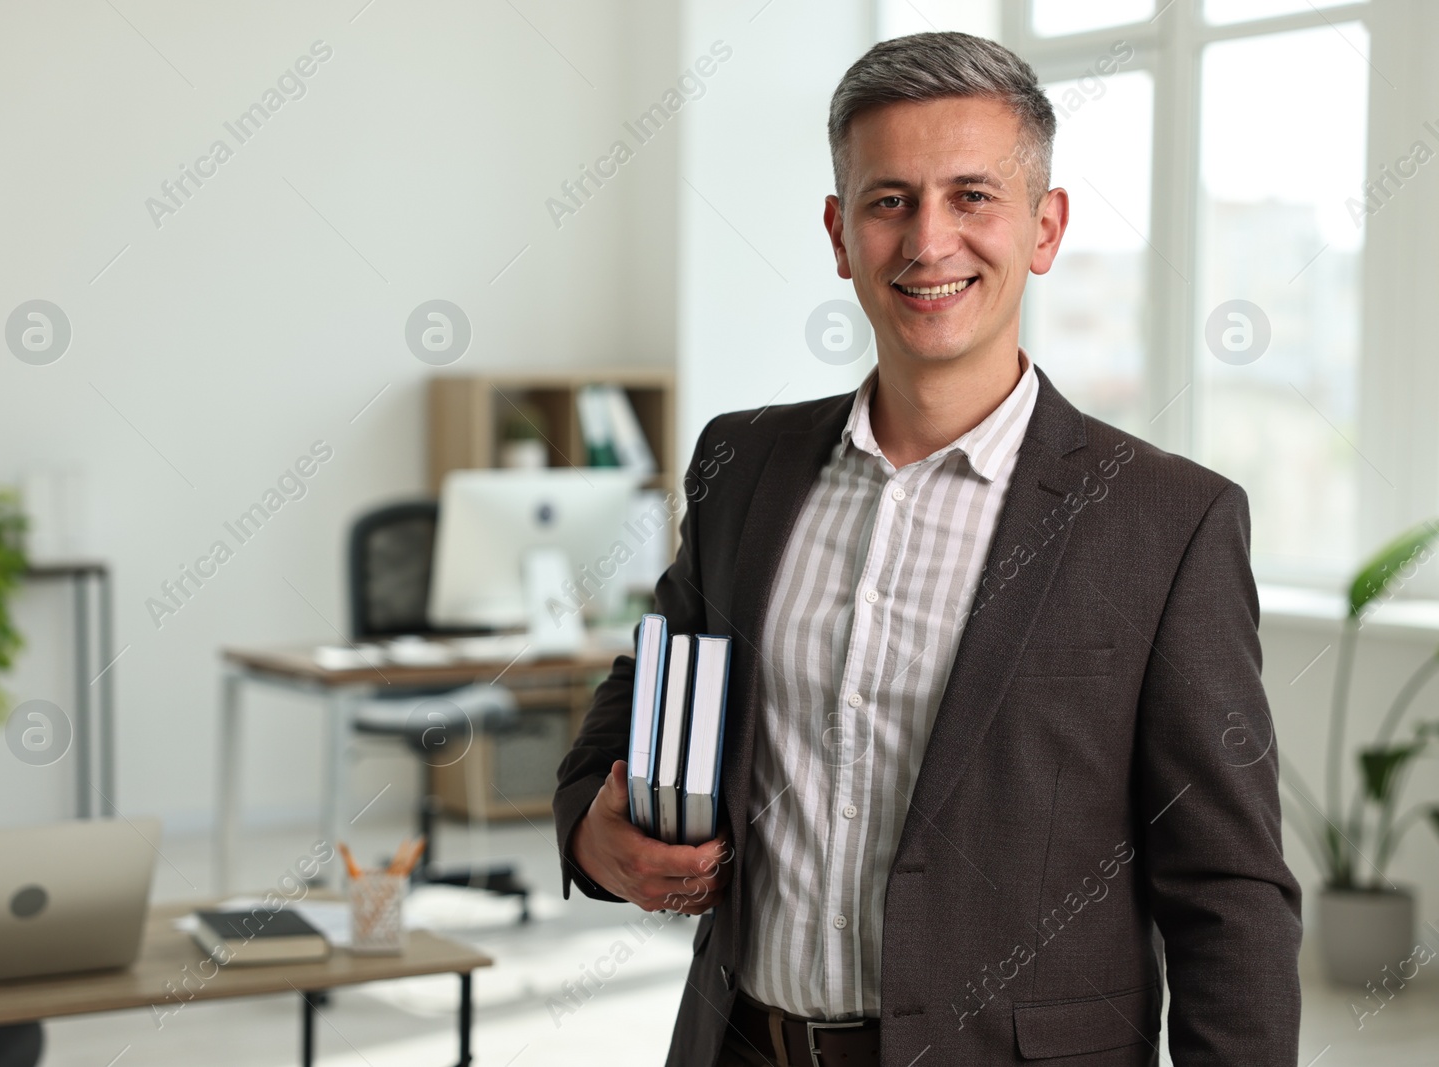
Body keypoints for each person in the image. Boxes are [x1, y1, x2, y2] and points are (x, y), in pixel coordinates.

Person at [553, 30, 1301, 1067]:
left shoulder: (1166, 521)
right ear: (838, 230)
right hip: (739, 1043)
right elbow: (645, 693)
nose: (927, 240)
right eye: (889, 199)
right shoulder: (744, 460)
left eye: (973, 197)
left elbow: (1228, 891)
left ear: (1045, 228)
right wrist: (591, 835)